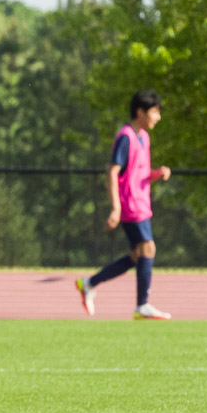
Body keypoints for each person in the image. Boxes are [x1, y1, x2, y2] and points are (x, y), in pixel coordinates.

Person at [76, 89, 173, 320]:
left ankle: (89, 283)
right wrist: (116, 208)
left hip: (142, 203)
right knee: (148, 249)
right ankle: (142, 305)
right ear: (140, 112)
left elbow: (138, 172)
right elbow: (113, 171)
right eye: (155, 112)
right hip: (130, 205)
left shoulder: (144, 138)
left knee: (138, 255)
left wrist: (156, 174)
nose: (158, 117)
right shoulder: (125, 137)